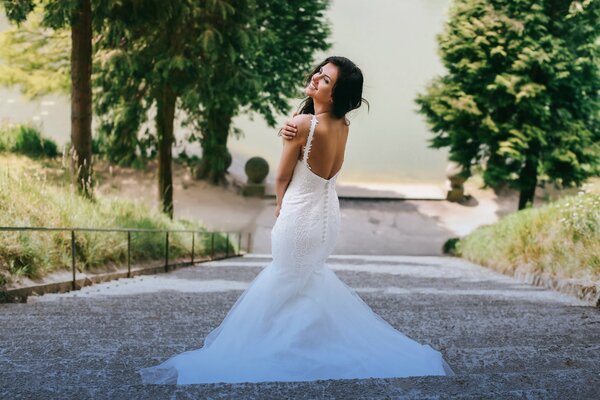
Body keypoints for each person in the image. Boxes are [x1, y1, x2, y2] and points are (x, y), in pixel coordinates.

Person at [138, 56, 454, 384]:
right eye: (320, 72)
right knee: (306, 282)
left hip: (300, 215)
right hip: (327, 217)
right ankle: (305, 346)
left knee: (284, 280)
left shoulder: (303, 125)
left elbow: (280, 178)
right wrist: (298, 120)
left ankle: (278, 354)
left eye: (326, 80)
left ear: (333, 95)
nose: (316, 78)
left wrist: (279, 208)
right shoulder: (344, 125)